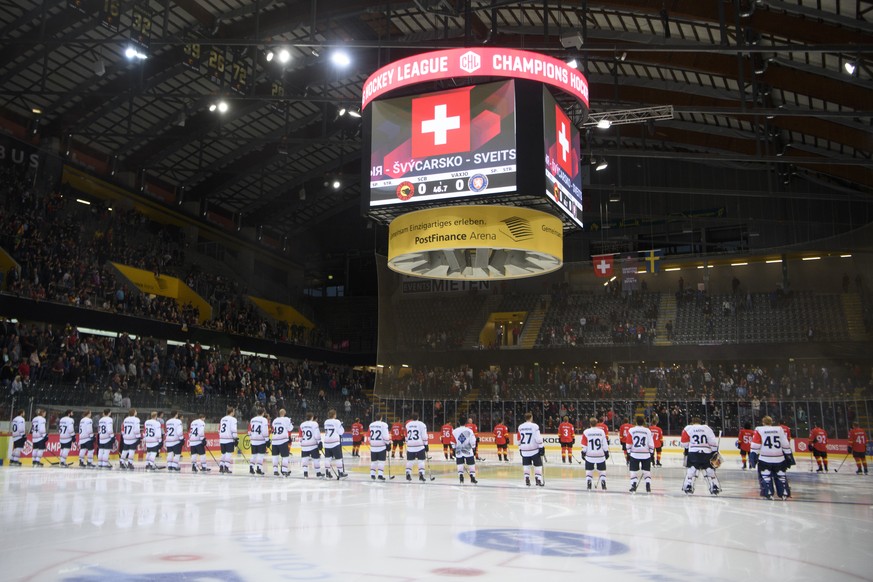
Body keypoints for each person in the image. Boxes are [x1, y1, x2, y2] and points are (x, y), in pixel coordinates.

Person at [750, 416, 792, 500]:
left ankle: (768, 493)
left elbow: (755, 445)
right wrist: (789, 456)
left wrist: (753, 456)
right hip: (779, 458)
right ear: (771, 422)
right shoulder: (779, 429)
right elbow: (785, 444)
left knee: (765, 476)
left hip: (765, 459)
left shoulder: (759, 430)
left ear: (763, 422)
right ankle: (784, 493)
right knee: (781, 476)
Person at [680, 416, 721, 495]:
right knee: (709, 469)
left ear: (692, 422)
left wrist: (687, 448)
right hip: (706, 452)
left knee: (692, 469)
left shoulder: (688, 428)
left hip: (693, 452)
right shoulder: (707, 428)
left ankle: (688, 485)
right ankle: (714, 486)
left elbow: (683, 443)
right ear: (700, 422)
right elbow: (712, 442)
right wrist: (714, 452)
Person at [627, 415, 655, 493]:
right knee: (646, 471)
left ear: (636, 421)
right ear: (643, 422)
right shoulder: (647, 430)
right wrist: (651, 452)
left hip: (634, 454)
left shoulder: (631, 430)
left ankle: (633, 485)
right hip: (646, 454)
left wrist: (629, 452)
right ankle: (648, 486)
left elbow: (629, 443)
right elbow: (651, 443)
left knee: (633, 471)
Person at [517, 412, 545, 487]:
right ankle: (538, 479)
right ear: (531, 417)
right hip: (534, 450)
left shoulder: (520, 427)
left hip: (524, 451)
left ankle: (527, 479)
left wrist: (520, 447)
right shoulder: (534, 426)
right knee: (538, 465)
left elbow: (519, 439)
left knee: (526, 465)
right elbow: (538, 438)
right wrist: (541, 446)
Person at [581, 417, 609, 491]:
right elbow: (604, 444)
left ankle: (589, 484)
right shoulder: (601, 432)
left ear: (590, 424)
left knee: (589, 471)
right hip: (600, 455)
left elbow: (584, 445)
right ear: (596, 424)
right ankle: (603, 484)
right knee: (602, 471)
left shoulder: (586, 432)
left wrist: (583, 452)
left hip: (590, 456)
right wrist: (606, 452)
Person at [322, 409, 348, 479]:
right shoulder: (337, 421)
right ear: (334, 415)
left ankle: (327, 473)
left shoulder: (326, 421)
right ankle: (340, 473)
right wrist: (341, 425)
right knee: (338, 458)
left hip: (327, 442)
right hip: (335, 442)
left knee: (328, 458)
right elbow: (341, 432)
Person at [452, 418, 477, 484]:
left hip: (458, 450)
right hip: (468, 450)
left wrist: (453, 449)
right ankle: (472, 477)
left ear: (458, 423)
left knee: (460, 464)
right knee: (471, 464)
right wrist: (474, 448)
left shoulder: (455, 431)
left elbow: (452, 441)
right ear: (466, 423)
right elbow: (472, 441)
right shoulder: (469, 430)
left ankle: (461, 476)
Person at [405, 412, 429, 482]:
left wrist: (407, 442)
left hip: (410, 446)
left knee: (410, 461)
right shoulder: (422, 424)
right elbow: (424, 436)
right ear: (418, 417)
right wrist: (426, 444)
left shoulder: (408, 425)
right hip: (419, 446)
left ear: (412, 418)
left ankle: (408, 473)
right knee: (421, 461)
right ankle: (421, 474)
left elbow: (406, 435)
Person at [299, 412, 323, 478]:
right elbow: (316, 434)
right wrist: (319, 442)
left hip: (304, 445)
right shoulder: (314, 424)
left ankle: (305, 473)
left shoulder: (302, 424)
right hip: (313, 445)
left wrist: (301, 443)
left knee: (305, 459)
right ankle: (318, 473)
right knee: (316, 459)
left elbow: (300, 435)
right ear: (312, 417)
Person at [270, 409, 293, 477]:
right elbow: (290, 429)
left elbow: (273, 429)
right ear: (285, 413)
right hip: (283, 440)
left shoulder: (275, 420)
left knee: (275, 456)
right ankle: (284, 471)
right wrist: (291, 423)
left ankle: (275, 471)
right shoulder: (286, 419)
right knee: (285, 456)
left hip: (274, 441)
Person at [248, 407, 270, 475]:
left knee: (253, 455)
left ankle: (251, 467)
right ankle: (259, 468)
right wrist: (267, 440)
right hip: (261, 440)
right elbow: (265, 431)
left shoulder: (252, 419)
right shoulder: (264, 420)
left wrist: (251, 437)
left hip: (253, 440)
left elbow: (249, 430)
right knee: (260, 455)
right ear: (263, 413)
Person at [368, 414, 390, 481]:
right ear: (381, 418)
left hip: (373, 446)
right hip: (381, 446)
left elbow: (369, 435)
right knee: (381, 462)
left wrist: (371, 442)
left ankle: (372, 474)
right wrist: (388, 443)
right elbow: (385, 435)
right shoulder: (384, 425)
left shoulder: (371, 425)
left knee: (373, 462)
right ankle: (380, 475)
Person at [218, 406, 239, 474]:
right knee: (228, 453)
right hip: (229, 439)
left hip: (222, 439)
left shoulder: (222, 419)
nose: (234, 412)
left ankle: (221, 466)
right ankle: (226, 467)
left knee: (223, 453)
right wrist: (235, 438)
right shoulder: (233, 419)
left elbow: (219, 429)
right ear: (232, 412)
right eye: (234, 411)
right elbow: (233, 429)